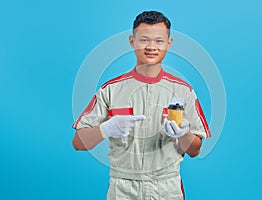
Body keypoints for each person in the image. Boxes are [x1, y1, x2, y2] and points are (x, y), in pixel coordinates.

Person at [72, 10, 211, 200]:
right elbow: (78, 143)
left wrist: (184, 134)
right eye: (144, 39)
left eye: (159, 41)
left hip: (167, 188)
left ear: (168, 44)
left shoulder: (184, 91)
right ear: (132, 41)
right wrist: (106, 128)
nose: (151, 46)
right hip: (123, 188)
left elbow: (195, 150)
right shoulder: (110, 90)